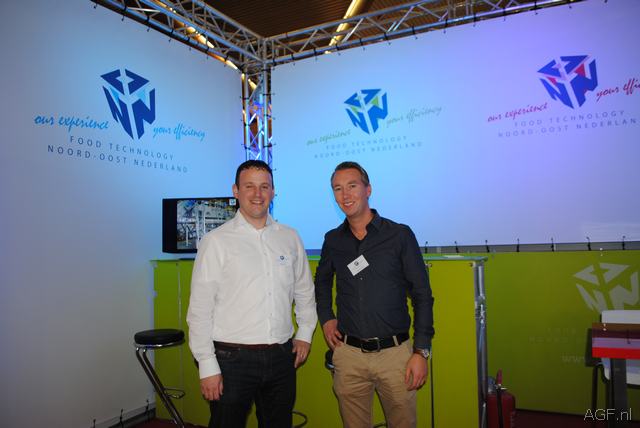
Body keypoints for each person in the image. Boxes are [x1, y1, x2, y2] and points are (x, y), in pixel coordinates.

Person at [187, 160, 317, 428]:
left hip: (281, 357)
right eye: (249, 186)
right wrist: (206, 363)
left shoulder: (290, 237)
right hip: (231, 361)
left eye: (264, 186)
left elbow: (304, 290)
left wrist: (305, 333)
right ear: (235, 191)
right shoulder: (216, 241)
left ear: (273, 191)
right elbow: (200, 309)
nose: (258, 194)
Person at [315, 161, 434, 428]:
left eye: (352, 186)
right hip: (349, 356)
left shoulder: (399, 235)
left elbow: (422, 294)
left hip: (395, 356)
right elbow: (321, 283)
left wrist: (421, 351)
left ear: (368, 190)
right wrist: (326, 317)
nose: (345, 195)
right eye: (338, 188)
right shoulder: (333, 240)